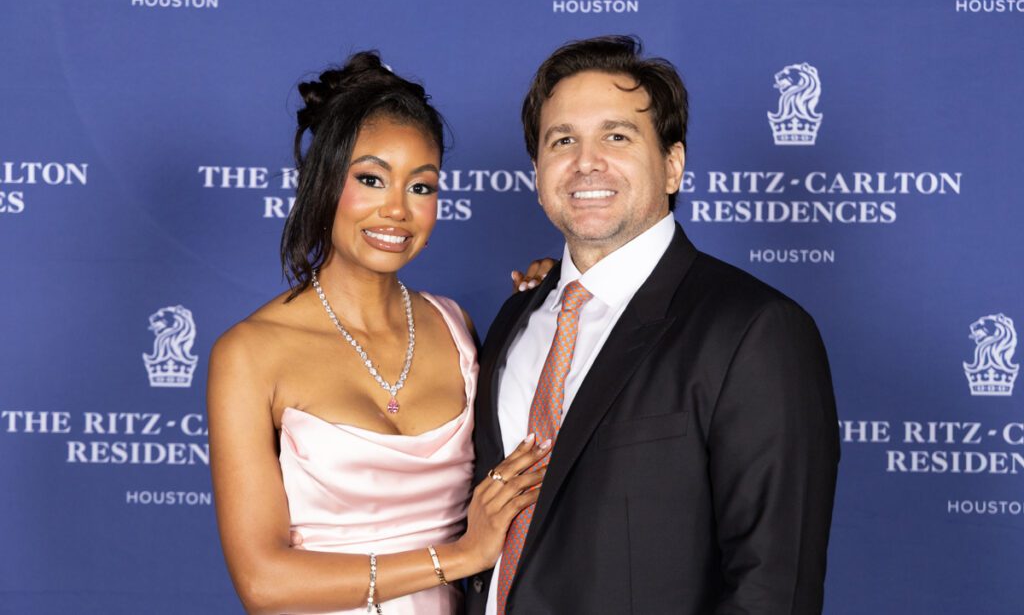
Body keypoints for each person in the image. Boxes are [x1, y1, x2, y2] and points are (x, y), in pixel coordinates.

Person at [468, 36, 841, 615]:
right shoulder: (517, 316)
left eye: (617, 136)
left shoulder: (755, 330)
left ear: (672, 165)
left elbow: (774, 587)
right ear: (537, 174)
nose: (586, 161)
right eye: (562, 140)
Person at [208, 52, 552, 615]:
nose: (397, 210)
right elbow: (263, 584)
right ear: (324, 184)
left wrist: (552, 304)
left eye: (422, 187)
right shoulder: (249, 353)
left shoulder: (456, 326)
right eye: (371, 179)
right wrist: (458, 558)